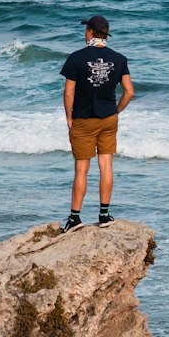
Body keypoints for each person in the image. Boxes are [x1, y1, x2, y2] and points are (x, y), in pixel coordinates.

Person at [59, 15, 134, 231]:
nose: (85, 33)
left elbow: (69, 92)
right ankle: (104, 215)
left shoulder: (76, 58)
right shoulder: (119, 59)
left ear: (91, 31)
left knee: (82, 169)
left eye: (86, 30)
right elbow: (129, 92)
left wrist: (68, 117)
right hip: (108, 118)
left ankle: (74, 218)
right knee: (106, 166)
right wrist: (116, 110)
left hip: (83, 119)